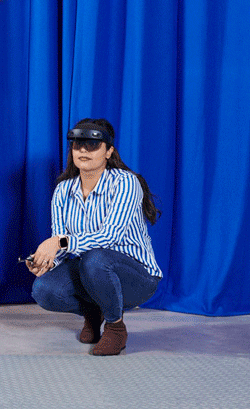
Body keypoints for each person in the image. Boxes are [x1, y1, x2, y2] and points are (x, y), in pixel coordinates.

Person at [27, 118, 162, 355]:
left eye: (92, 145)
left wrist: (58, 243)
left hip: (136, 277)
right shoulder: (63, 190)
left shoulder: (125, 183)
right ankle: (94, 312)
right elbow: (61, 245)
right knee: (43, 289)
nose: (83, 150)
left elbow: (109, 236)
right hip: (92, 273)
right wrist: (47, 261)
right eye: (77, 145)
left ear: (109, 151)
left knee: (95, 258)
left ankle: (115, 327)